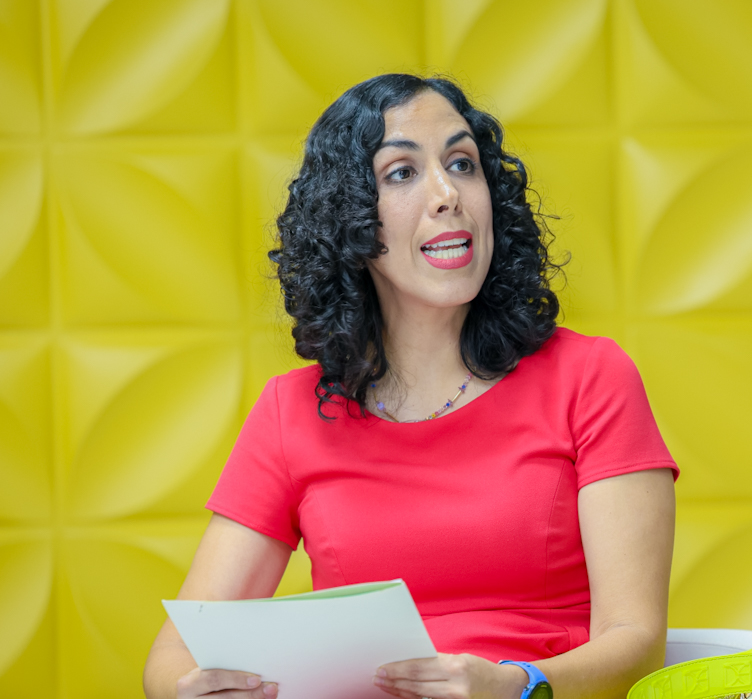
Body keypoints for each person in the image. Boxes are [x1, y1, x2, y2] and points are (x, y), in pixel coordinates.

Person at [143, 73, 677, 699]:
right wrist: (191, 690)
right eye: (401, 173)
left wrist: (515, 684)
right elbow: (173, 656)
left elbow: (637, 641)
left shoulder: (589, 377)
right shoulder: (290, 412)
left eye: (462, 163)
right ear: (350, 221)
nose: (447, 194)